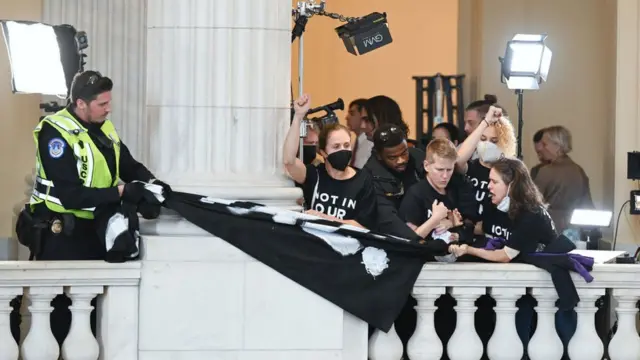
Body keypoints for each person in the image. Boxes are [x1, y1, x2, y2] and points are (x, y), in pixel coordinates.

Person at [15, 70, 171, 345]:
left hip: (94, 230)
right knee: (62, 317)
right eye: (102, 104)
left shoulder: (105, 127)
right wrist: (122, 192)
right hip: (61, 234)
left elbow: (128, 165)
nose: (108, 109)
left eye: (109, 102)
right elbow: (70, 195)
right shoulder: (55, 132)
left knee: (94, 316)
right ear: (80, 103)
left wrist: (153, 184)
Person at [284, 94, 377, 229]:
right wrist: (298, 117)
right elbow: (289, 160)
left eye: (346, 145)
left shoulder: (363, 180)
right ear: (323, 152)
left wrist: (326, 219)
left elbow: (363, 226)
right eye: (336, 146)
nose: (343, 150)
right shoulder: (314, 174)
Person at [456, 105, 517, 218]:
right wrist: (485, 122)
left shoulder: (510, 173)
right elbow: (458, 160)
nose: (487, 144)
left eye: (494, 141)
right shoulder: (470, 167)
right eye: (483, 139)